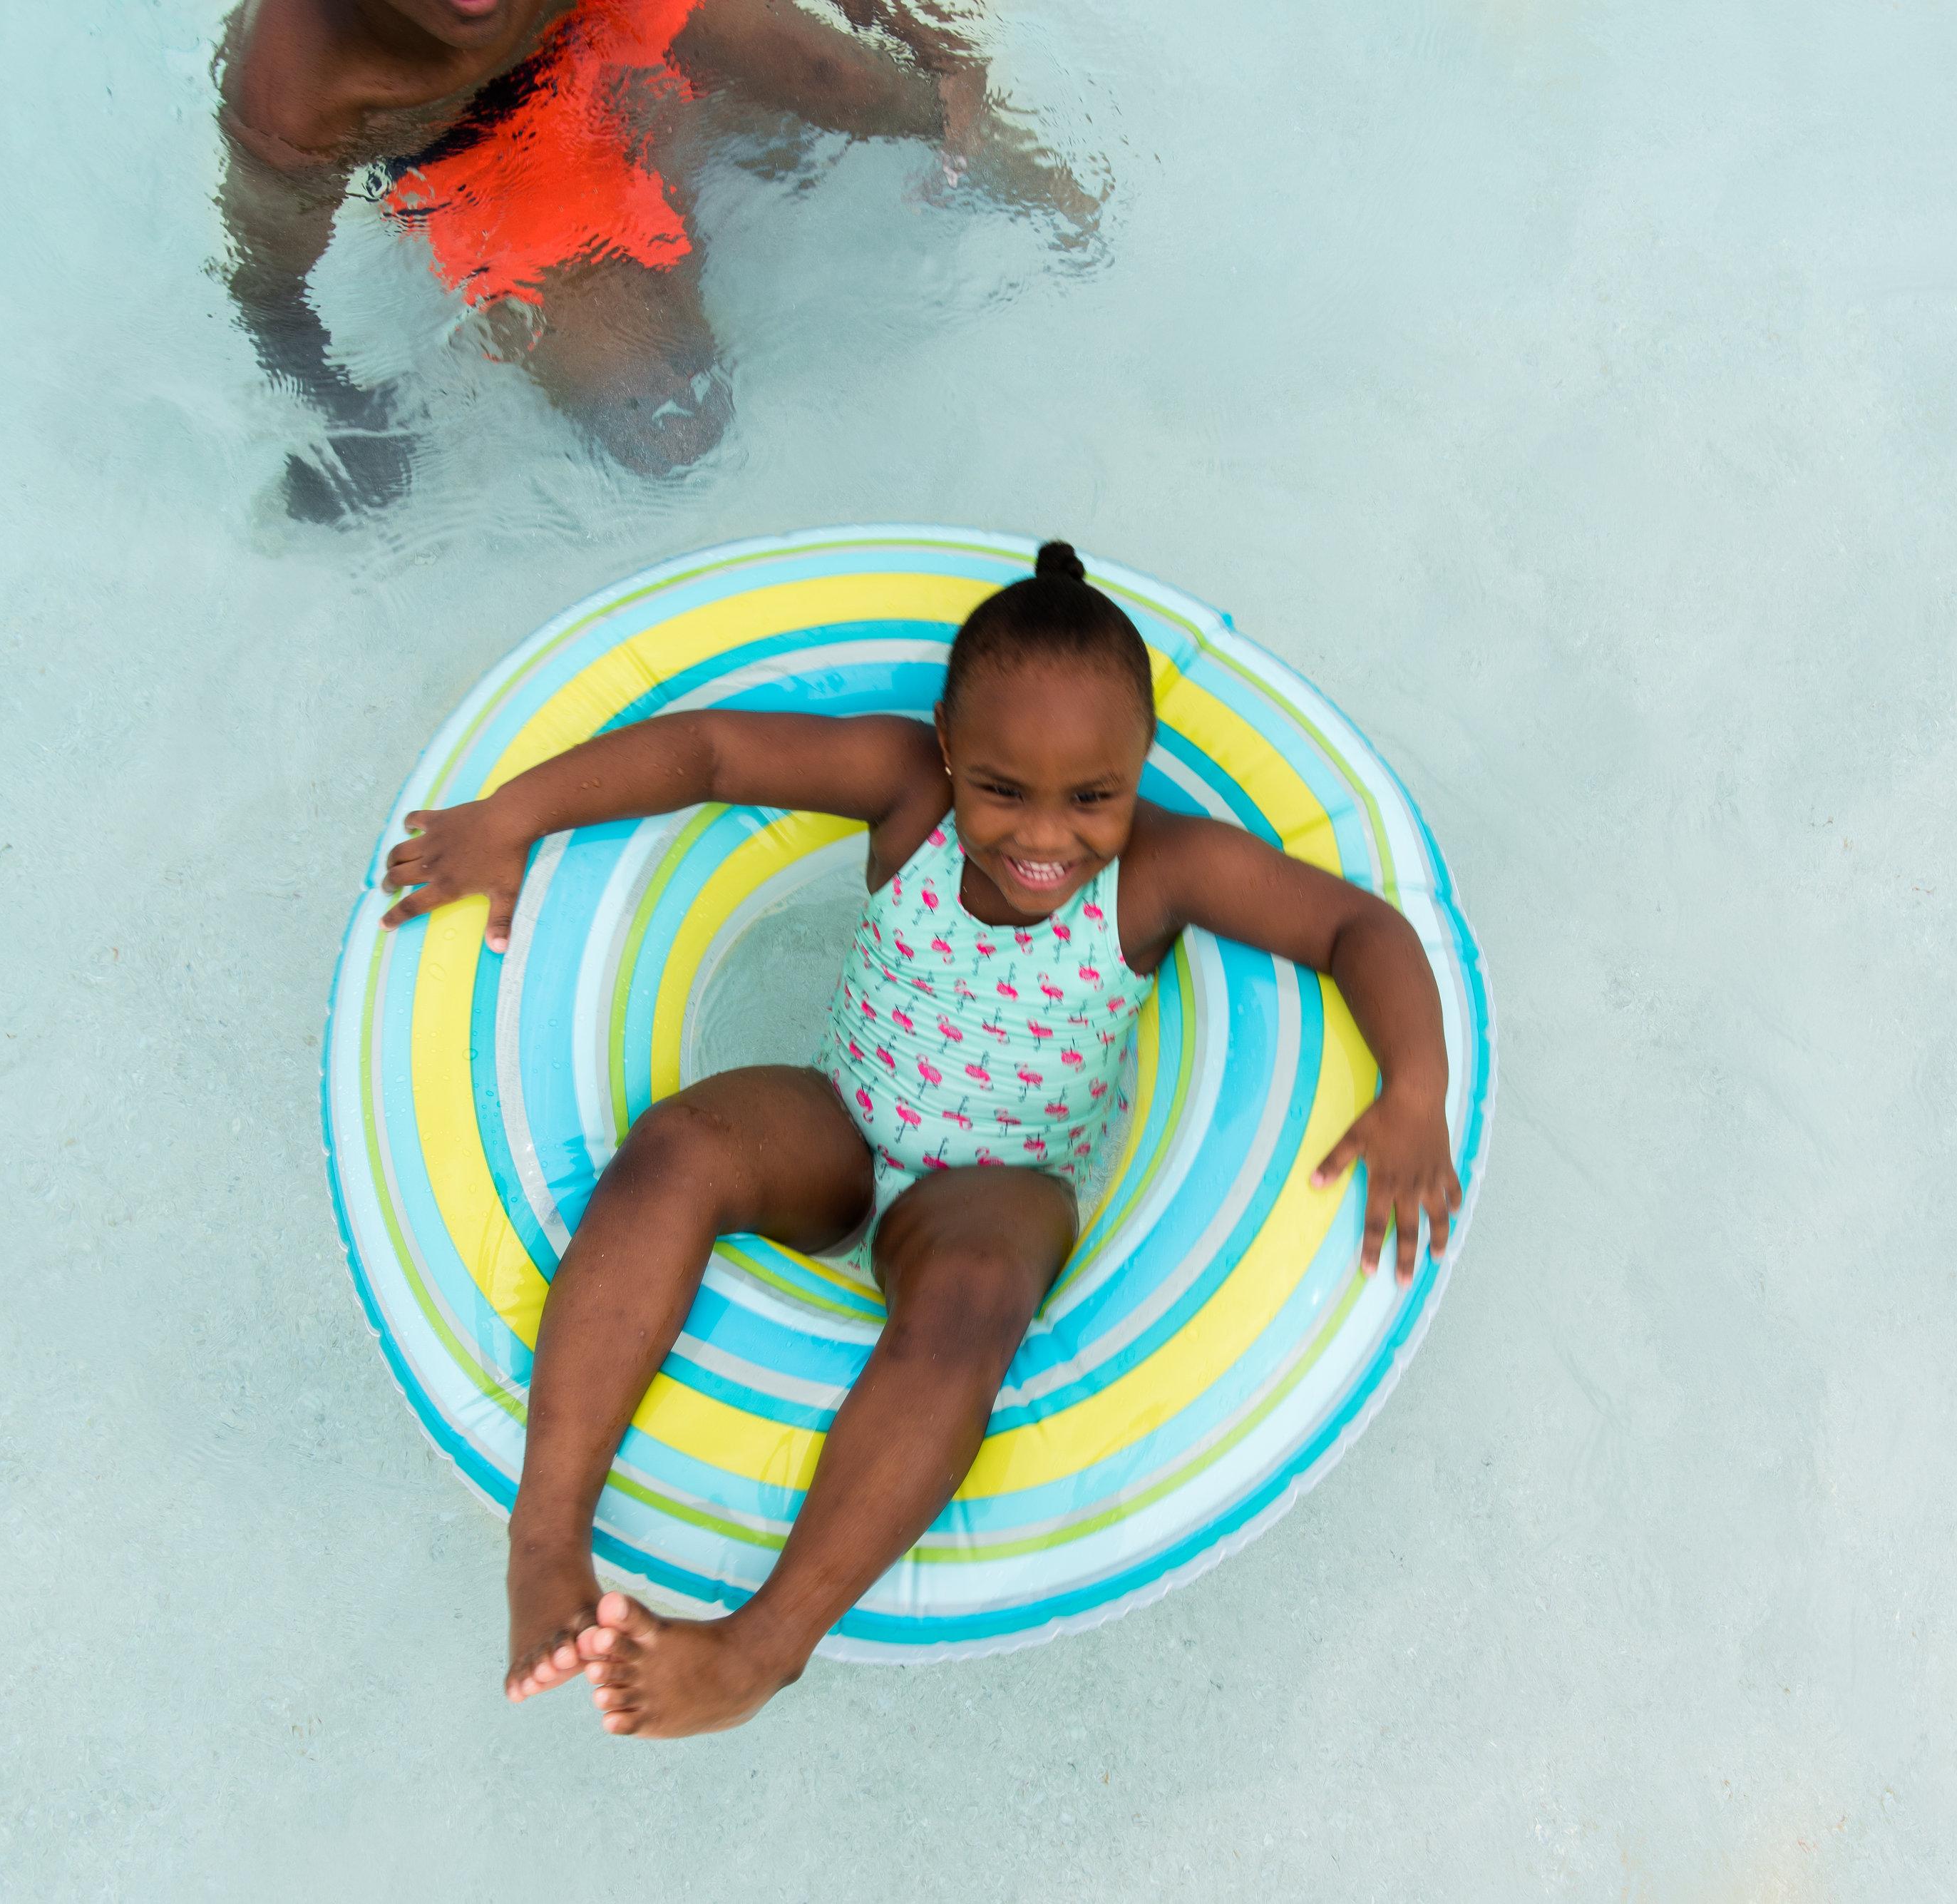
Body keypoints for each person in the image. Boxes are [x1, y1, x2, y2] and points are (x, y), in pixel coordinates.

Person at [381, 543, 1464, 1737]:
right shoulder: (909, 790)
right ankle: (545, 1548)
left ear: (1140, 768)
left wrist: (1417, 1090)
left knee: (979, 1288)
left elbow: (1356, 928)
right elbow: (710, 755)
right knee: (678, 1147)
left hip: (1007, 1177)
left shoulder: (1164, 870)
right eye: (1003, 790)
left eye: (1092, 797)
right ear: (948, 742)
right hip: (847, 1114)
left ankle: (761, 1651)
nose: (1043, 836)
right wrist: (514, 815)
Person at [216, 0, 1093, 516]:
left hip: (608, 21)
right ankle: (703, 174)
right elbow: (268, 282)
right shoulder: (302, 88)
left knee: (891, 99)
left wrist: (926, 32)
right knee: (669, 428)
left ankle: (1081, 259)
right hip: (477, 151)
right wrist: (342, 413)